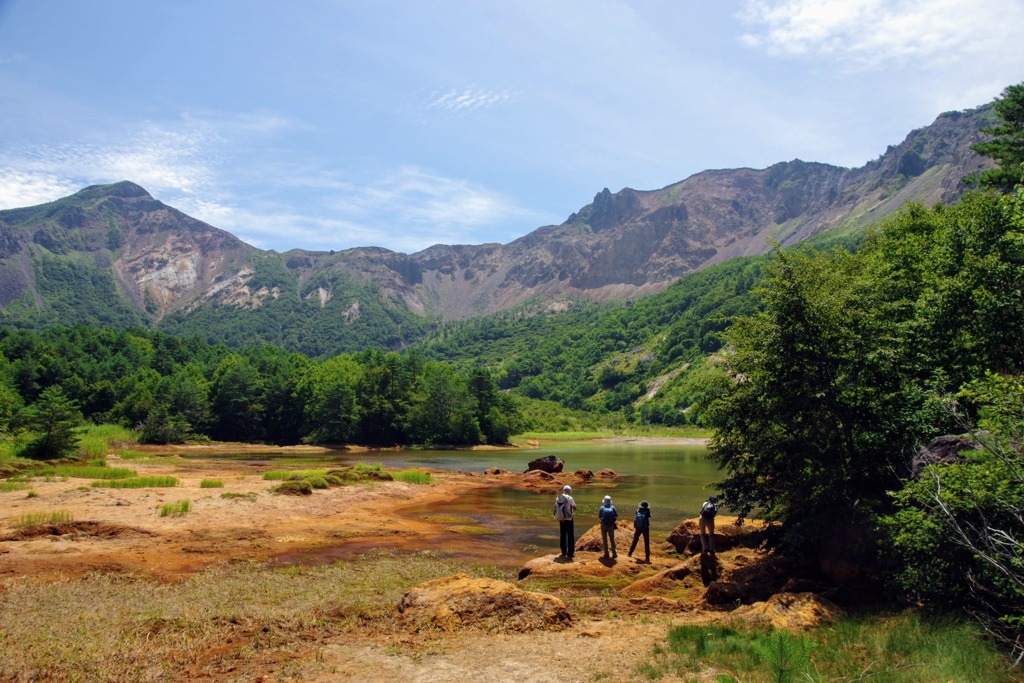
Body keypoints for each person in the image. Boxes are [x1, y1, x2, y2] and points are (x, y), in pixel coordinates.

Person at [554, 484, 577, 560]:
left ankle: (563, 552)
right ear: (569, 491)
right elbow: (574, 507)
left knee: (562, 534)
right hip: (569, 518)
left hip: (561, 519)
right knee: (570, 535)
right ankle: (570, 553)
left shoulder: (558, 498)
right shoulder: (570, 498)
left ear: (563, 490)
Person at [598, 495, 619, 559]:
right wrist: (612, 522)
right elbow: (616, 516)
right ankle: (614, 553)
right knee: (612, 539)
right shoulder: (613, 508)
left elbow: (599, 516)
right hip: (611, 525)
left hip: (603, 525)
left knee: (605, 540)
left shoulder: (602, 508)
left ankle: (606, 553)